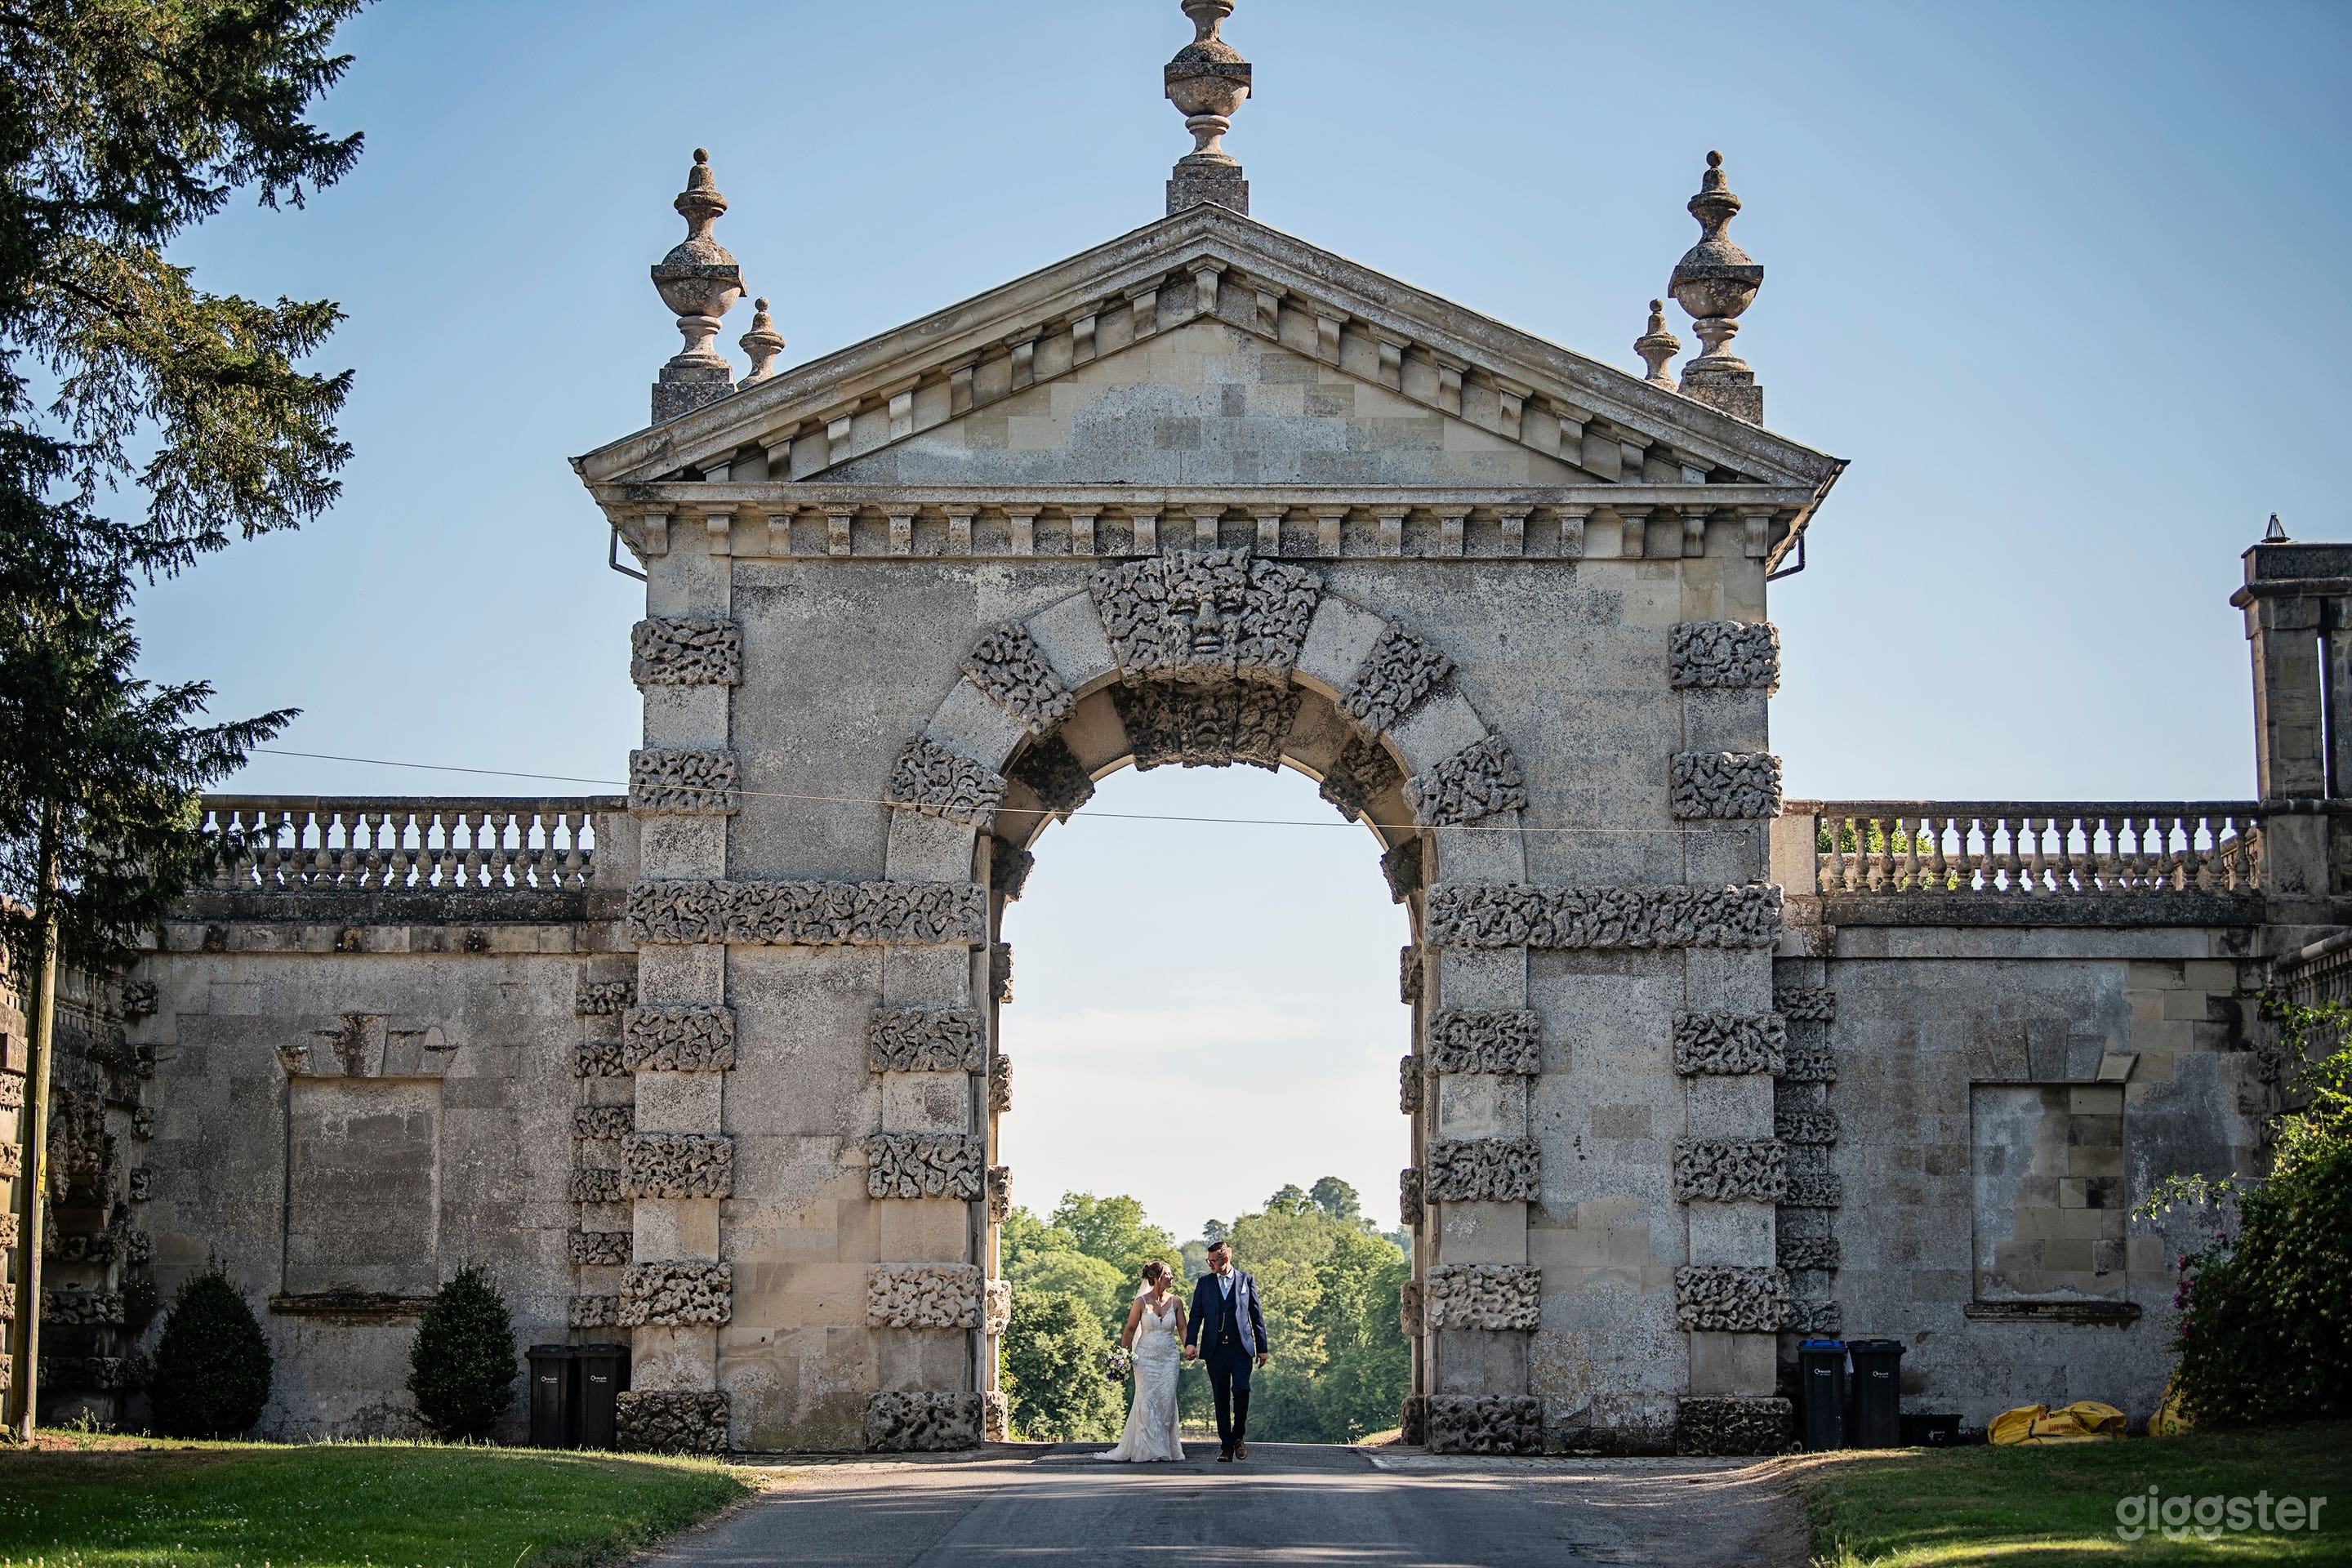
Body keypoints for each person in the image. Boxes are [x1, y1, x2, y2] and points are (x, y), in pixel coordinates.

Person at [1183, 1240, 1268, 1461]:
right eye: (1208, 1261)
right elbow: (1196, 1315)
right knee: (1220, 1397)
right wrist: (1190, 1343)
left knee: (1242, 1390)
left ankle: (1238, 1437)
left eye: (1213, 1261)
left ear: (1226, 1259)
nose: (1210, 1265)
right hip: (1215, 1350)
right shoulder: (1205, 1283)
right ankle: (1226, 1445)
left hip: (1241, 1348)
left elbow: (1256, 1315)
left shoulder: (1246, 1280)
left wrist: (1262, 1348)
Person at [1099, 1260, 1186, 1462]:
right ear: (1156, 1278)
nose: (1172, 1277)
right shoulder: (1141, 1302)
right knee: (1146, 1401)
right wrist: (1124, 1356)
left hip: (1169, 1358)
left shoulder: (1177, 1302)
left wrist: (1188, 1346)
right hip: (1145, 1358)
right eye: (1168, 1274)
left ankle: (1165, 1446)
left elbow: (1182, 1328)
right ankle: (1150, 1449)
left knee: (1167, 1401)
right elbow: (1130, 1330)